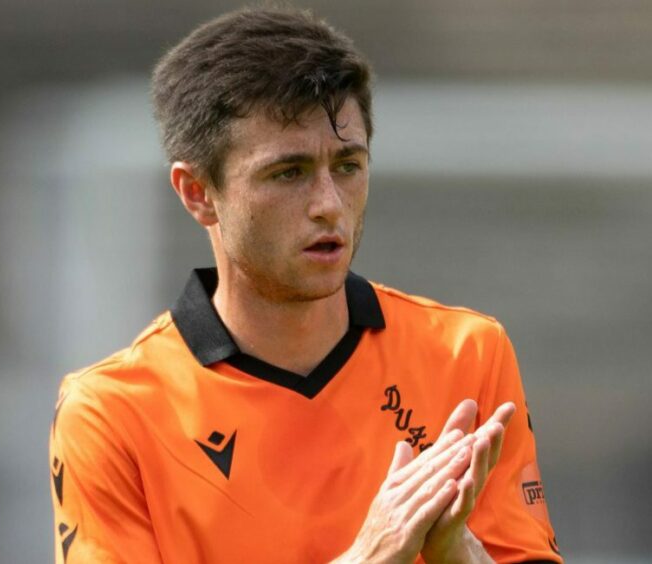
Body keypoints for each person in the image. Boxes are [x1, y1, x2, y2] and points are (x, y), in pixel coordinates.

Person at [49, 7, 561, 563]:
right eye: (287, 173)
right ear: (197, 192)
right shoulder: (110, 414)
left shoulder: (468, 355)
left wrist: (455, 553)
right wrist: (369, 556)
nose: (328, 205)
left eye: (347, 165)